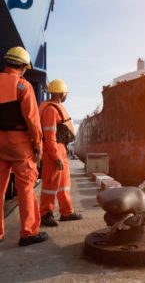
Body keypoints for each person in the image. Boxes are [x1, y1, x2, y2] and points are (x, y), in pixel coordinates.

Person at [0, 46, 48, 246]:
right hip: (20, 145)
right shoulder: (23, 86)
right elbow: (33, 121)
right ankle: (28, 233)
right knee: (26, 189)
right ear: (22, 66)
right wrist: (38, 147)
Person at [39, 79, 82, 226]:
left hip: (60, 151)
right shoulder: (50, 110)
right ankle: (46, 214)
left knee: (64, 184)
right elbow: (49, 136)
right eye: (65, 93)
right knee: (50, 186)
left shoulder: (55, 107)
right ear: (61, 93)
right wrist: (55, 157)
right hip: (53, 153)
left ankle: (66, 212)